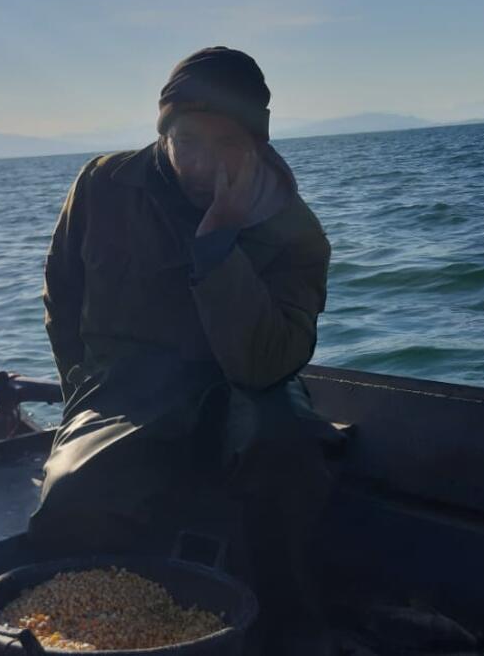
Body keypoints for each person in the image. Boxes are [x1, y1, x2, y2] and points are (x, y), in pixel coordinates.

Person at [28, 46, 342, 654]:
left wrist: (219, 242)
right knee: (72, 493)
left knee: (286, 450)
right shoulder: (102, 185)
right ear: (163, 132)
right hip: (127, 388)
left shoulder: (294, 228)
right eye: (188, 140)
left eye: (228, 144)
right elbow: (61, 295)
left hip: (249, 384)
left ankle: (291, 630)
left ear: (257, 143)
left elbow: (267, 363)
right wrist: (82, 396)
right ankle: (103, 633)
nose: (203, 163)